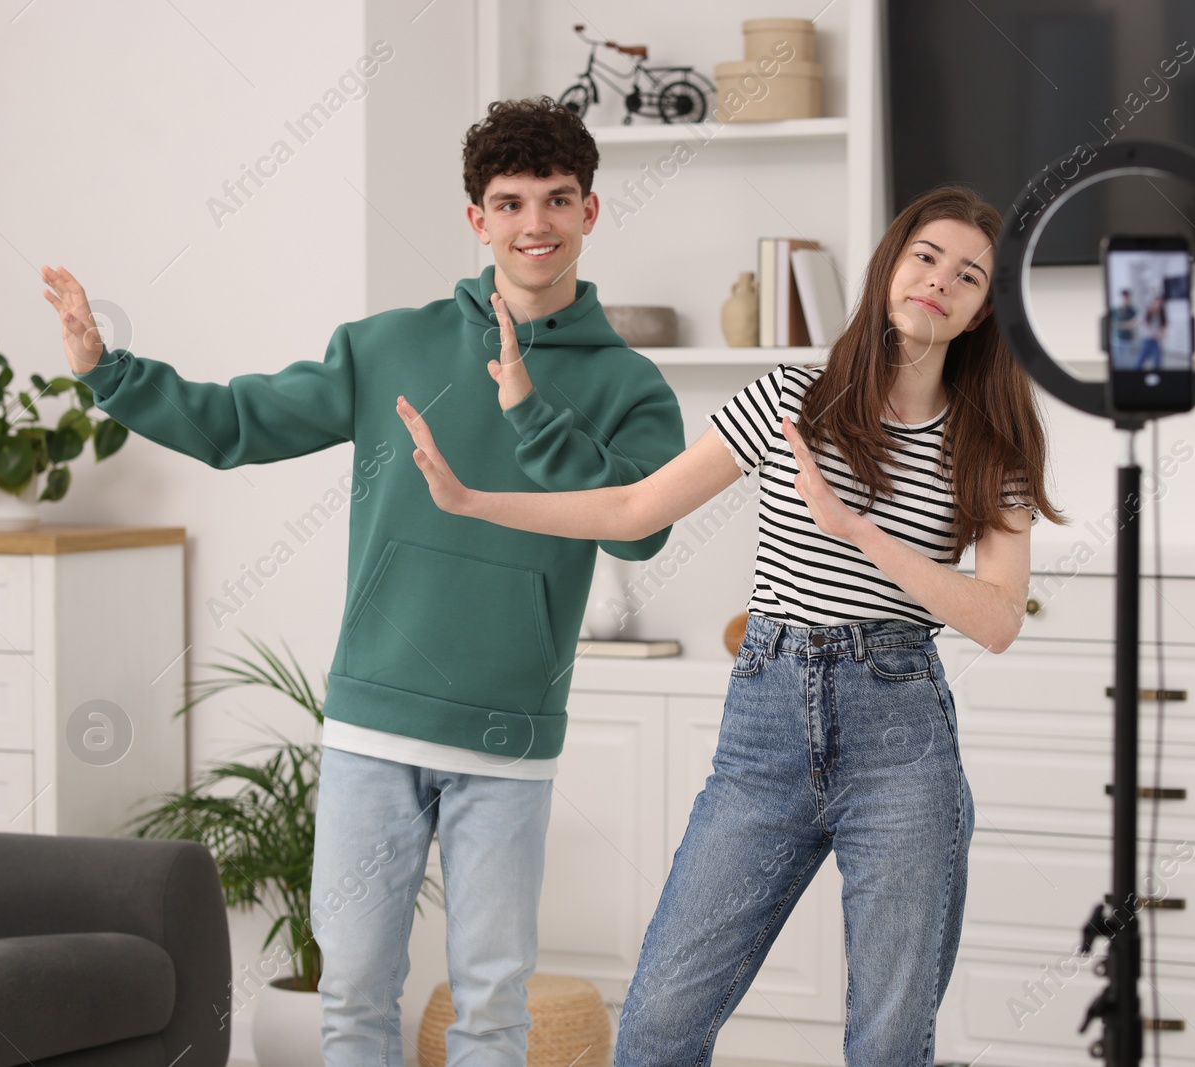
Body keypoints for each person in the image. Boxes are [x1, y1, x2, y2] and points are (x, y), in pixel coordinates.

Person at [40, 97, 687, 1066]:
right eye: (509, 203)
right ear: (477, 220)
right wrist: (109, 371)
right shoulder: (389, 344)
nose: (535, 225)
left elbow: (642, 530)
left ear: (590, 211)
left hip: (506, 735)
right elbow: (236, 424)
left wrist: (530, 412)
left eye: (556, 200)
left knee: (491, 1003)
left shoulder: (629, 383)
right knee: (351, 996)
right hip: (372, 724)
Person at [396, 183, 1065, 1063]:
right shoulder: (791, 397)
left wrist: (859, 532)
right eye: (925, 256)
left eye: (968, 276)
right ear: (890, 266)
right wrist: (476, 501)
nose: (939, 281)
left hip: (903, 741)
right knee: (662, 1021)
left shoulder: (991, 444)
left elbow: (998, 618)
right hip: (765, 733)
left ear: (983, 312)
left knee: (891, 1041)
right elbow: (635, 508)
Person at [1137, 292, 1166, 370]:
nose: (1158, 305)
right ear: (1153, 302)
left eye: (1160, 303)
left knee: (1157, 359)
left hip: (1154, 340)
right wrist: (1157, 333)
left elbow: (1163, 327)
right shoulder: (1147, 312)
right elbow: (1147, 328)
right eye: (1157, 302)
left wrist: (1162, 333)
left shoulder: (1161, 314)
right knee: (1141, 360)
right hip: (1146, 339)